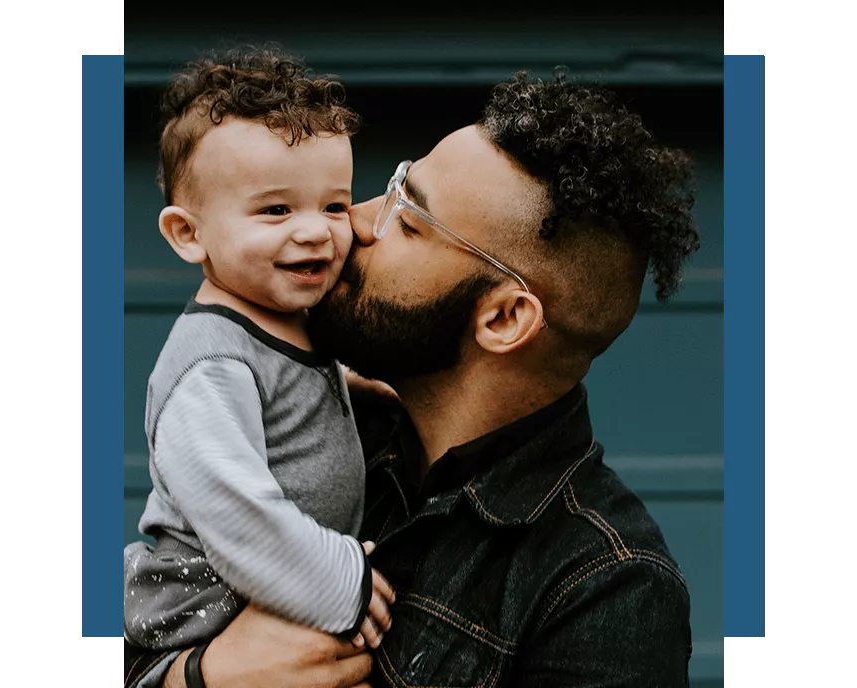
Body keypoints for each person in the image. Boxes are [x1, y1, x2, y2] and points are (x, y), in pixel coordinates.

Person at [125, 66, 701, 688]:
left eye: (409, 219)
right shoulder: (308, 417)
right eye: (393, 186)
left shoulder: (605, 587)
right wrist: (200, 678)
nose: (353, 223)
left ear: (504, 317)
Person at [122, 44, 395, 666]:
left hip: (268, 592)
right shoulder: (210, 366)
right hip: (208, 606)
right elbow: (233, 507)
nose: (314, 230)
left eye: (333, 205)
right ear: (188, 234)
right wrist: (337, 581)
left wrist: (349, 387)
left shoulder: (282, 321)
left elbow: (283, 392)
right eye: (275, 210)